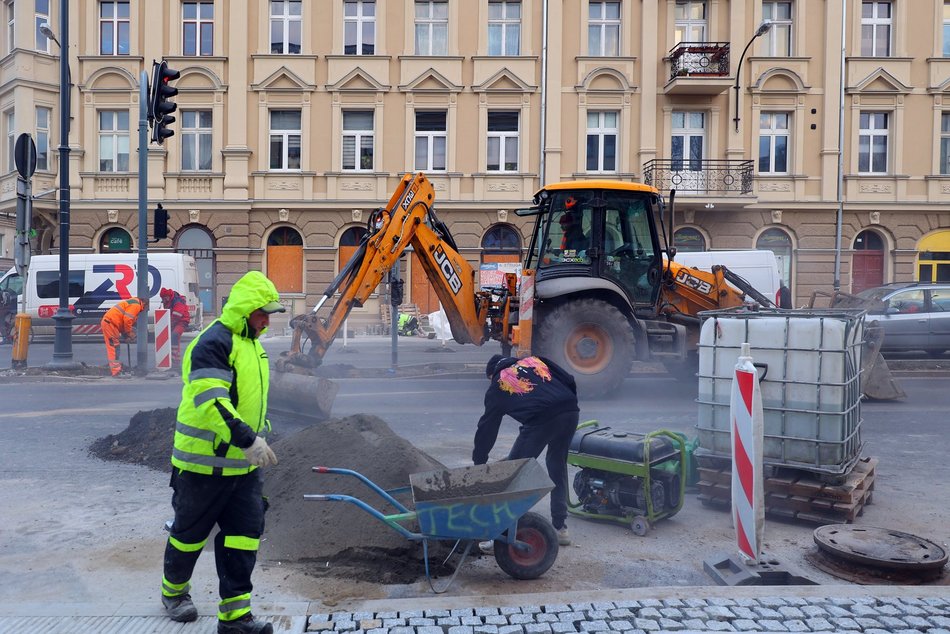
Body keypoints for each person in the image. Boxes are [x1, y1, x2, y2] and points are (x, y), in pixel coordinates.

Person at [160, 270, 284, 634]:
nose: (267, 320)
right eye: (263, 313)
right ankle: (174, 593)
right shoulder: (215, 342)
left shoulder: (253, 344)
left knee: (244, 537)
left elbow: (246, 399)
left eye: (270, 314)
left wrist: (260, 431)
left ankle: (235, 618)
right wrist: (248, 440)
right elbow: (210, 401)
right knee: (188, 535)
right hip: (202, 465)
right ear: (246, 310)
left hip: (242, 469)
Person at [473, 354, 579, 548]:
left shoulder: (498, 383)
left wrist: (479, 460)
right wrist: (567, 406)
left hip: (541, 420)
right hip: (570, 409)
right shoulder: (534, 360)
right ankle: (560, 528)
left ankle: (501, 533)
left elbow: (487, 427)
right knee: (557, 465)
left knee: (514, 473)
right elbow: (569, 379)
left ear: (491, 373)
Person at [100, 297, 145, 376]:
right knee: (114, 348)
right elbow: (127, 320)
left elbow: (123, 321)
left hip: (111, 324)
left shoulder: (132, 302)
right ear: (144, 304)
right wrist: (129, 333)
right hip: (110, 324)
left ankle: (116, 369)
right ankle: (116, 371)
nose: (143, 311)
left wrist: (125, 335)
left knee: (115, 347)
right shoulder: (136, 305)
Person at [160, 287, 192, 368]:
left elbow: (177, 316)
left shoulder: (177, 301)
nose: (163, 300)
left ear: (168, 296)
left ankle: (176, 360)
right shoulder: (170, 299)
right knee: (172, 337)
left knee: (174, 336)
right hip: (175, 321)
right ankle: (172, 359)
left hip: (182, 321)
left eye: (164, 298)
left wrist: (168, 324)